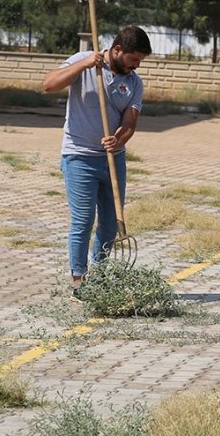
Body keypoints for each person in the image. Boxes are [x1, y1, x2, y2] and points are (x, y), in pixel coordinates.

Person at [42, 26, 152, 298]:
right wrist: (84, 64)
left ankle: (100, 276)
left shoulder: (134, 82)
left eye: (140, 61)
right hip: (79, 156)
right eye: (134, 59)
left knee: (110, 223)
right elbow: (49, 85)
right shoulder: (84, 63)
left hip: (113, 160)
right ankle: (79, 281)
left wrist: (120, 139)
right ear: (117, 50)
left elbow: (130, 122)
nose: (137, 65)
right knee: (83, 220)